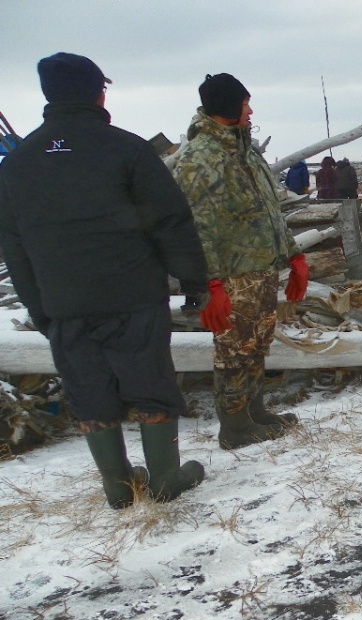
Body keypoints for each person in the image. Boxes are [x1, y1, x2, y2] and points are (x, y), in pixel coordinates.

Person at [0, 53, 207, 507]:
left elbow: (13, 247)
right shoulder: (127, 149)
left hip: (64, 303)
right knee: (151, 385)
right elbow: (171, 221)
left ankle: (117, 486)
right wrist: (194, 281)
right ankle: (165, 479)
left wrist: (41, 309)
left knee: (88, 390)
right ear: (99, 92)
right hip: (133, 296)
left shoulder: (17, 164)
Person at [171, 73, 309, 450]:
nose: (251, 109)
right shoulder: (198, 160)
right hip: (231, 277)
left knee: (257, 343)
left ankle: (255, 412)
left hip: (262, 270)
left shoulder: (246, 153)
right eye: (246, 102)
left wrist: (294, 256)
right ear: (229, 106)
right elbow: (197, 228)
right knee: (234, 350)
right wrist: (209, 285)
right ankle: (234, 426)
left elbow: (270, 211)